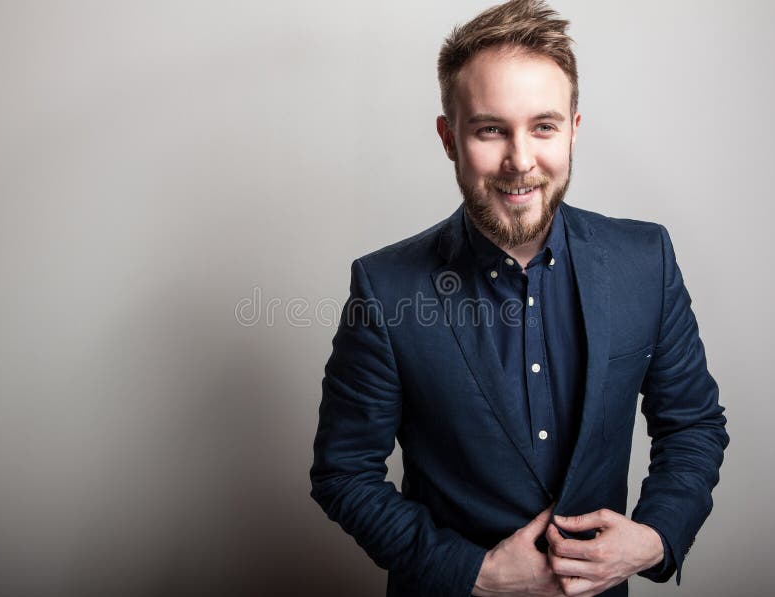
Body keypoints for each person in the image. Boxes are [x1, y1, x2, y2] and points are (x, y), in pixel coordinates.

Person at [309, 1, 729, 595]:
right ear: (449, 139)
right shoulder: (385, 289)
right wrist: (474, 573)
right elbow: (344, 473)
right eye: (490, 129)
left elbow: (693, 424)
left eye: (543, 126)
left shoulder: (646, 260)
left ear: (573, 130)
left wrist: (657, 536)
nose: (520, 160)